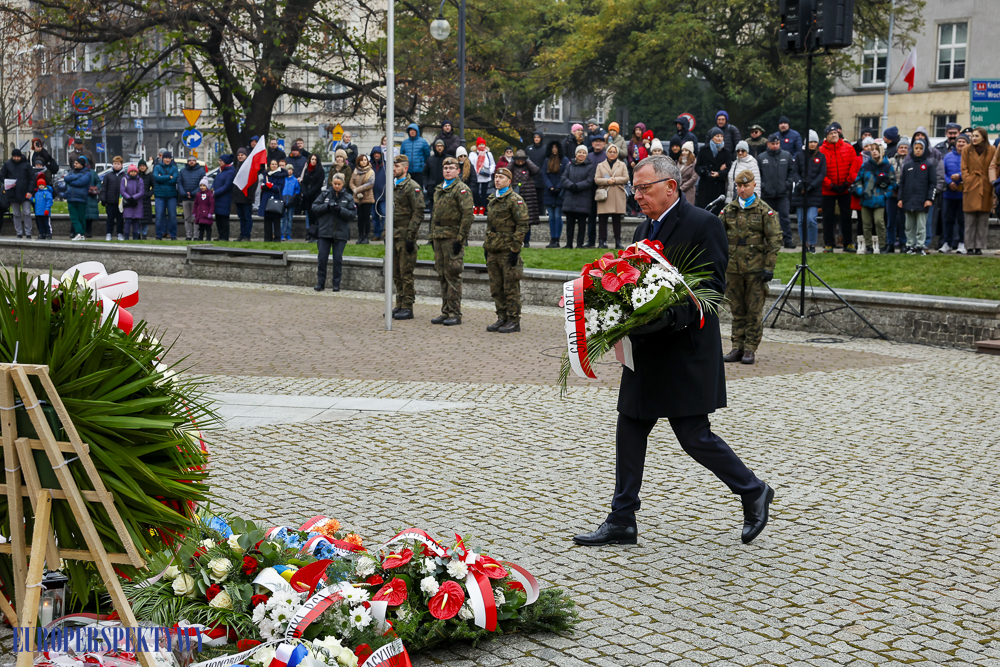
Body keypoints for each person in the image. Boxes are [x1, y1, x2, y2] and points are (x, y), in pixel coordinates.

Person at [572, 154, 773, 548]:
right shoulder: (642, 231)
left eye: (644, 188)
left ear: (670, 186)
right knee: (630, 426)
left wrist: (662, 317)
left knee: (693, 435)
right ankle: (622, 519)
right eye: (635, 188)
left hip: (686, 351)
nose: (638, 196)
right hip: (646, 351)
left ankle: (752, 490)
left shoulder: (704, 224)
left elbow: (712, 291)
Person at [720, 170, 781, 365]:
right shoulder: (729, 210)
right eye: (739, 186)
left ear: (754, 185)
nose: (742, 189)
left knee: (754, 310)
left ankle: (750, 348)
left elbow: (774, 240)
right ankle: (737, 346)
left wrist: (769, 267)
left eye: (746, 185)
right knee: (737, 309)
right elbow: (718, 237)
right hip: (733, 268)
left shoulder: (764, 211)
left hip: (755, 268)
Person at [484, 167, 529, 334]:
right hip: (493, 248)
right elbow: (490, 226)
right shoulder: (492, 199)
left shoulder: (514, 200)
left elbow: (522, 225)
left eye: (501, 177)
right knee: (496, 287)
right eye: (496, 177)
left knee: (510, 287)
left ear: (509, 181)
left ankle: (513, 320)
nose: (497, 180)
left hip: (507, 249)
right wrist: (486, 246)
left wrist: (515, 249)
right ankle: (501, 317)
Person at [429, 157, 474, 325]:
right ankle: (445, 311)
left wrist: (461, 238)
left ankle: (455, 312)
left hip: (452, 236)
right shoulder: (439, 189)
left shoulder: (461, 189)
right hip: (439, 236)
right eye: (445, 167)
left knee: (452, 274)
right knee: (441, 274)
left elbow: (467, 215)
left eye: (451, 168)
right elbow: (434, 215)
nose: (448, 170)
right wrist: (431, 237)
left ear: (458, 171)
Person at [390, 155, 424, 319]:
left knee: (406, 272)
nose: (394, 169)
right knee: (395, 272)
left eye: (397, 166)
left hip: (405, 235)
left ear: (405, 168)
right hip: (393, 235)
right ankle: (399, 303)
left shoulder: (412, 187)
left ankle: (408, 306)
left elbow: (418, 212)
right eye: (393, 166)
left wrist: (411, 236)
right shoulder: (393, 185)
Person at [311, 173, 357, 291]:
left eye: (339, 184)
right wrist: (326, 207)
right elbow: (314, 207)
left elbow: (352, 214)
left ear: (343, 184)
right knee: (322, 258)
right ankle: (320, 283)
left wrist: (340, 210)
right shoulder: (325, 194)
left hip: (340, 233)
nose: (336, 186)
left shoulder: (348, 197)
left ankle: (336, 284)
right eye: (335, 184)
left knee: (337, 259)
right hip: (324, 231)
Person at [819, 125, 859, 252]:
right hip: (828, 189)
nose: (834, 135)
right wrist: (830, 185)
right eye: (831, 133)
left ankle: (848, 243)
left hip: (845, 188)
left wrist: (847, 183)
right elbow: (820, 171)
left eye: (835, 133)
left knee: (846, 217)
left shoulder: (848, 148)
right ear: (826, 136)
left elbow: (853, 166)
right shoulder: (821, 151)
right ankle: (829, 243)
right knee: (828, 217)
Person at [852, 142, 895, 253]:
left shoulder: (888, 166)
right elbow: (858, 181)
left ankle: (882, 245)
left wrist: (886, 194)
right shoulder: (865, 166)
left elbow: (893, 183)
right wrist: (861, 191)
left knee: (879, 221)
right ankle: (869, 246)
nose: (874, 151)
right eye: (872, 149)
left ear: (881, 151)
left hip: (879, 199)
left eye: (876, 149)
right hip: (866, 198)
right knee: (866, 224)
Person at [897, 139, 936, 255]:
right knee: (908, 226)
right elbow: (902, 184)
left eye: (920, 148)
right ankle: (910, 245)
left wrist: (929, 199)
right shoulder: (907, 165)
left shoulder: (929, 165)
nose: (918, 151)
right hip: (908, 200)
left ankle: (920, 246)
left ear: (924, 150)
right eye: (916, 148)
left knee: (921, 226)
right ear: (912, 150)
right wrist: (900, 198)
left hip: (922, 201)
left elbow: (932, 184)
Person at [962, 127, 996, 255]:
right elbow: (963, 168)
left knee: (983, 219)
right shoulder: (966, 149)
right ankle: (969, 246)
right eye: (972, 136)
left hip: (985, 185)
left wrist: (991, 181)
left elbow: (994, 165)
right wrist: (968, 180)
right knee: (970, 219)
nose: (973, 138)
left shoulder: (992, 149)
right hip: (971, 186)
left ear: (983, 137)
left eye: (976, 136)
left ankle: (979, 246)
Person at [757, 133, 794, 248]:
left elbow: (792, 172)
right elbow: (758, 174)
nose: (775, 146)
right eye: (772, 144)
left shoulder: (787, 156)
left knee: (785, 218)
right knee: (767, 219)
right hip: (767, 194)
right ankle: (767, 242)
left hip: (782, 193)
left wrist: (787, 184)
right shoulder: (762, 157)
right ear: (768, 144)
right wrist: (763, 186)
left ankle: (788, 240)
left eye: (777, 143)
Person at [792, 131, 826, 253]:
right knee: (801, 221)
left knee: (811, 219)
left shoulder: (821, 157)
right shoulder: (799, 156)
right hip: (800, 193)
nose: (813, 144)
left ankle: (812, 243)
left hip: (814, 193)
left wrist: (811, 186)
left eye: (815, 142)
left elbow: (822, 174)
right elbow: (794, 171)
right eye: (811, 142)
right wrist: (800, 184)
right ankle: (804, 244)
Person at [594, 143, 628, 249]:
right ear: (607, 153)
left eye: (614, 152)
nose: (612, 154)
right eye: (610, 152)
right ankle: (601, 241)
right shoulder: (600, 165)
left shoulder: (622, 165)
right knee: (602, 220)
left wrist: (615, 180)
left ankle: (618, 241)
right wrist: (607, 181)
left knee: (616, 220)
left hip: (617, 195)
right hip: (605, 194)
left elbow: (626, 178)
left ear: (617, 153)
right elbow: (596, 179)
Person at [561, 145, 595, 249]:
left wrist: (578, 186)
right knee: (570, 224)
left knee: (582, 224)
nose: (581, 154)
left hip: (583, 199)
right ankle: (569, 244)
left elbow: (590, 181)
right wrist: (571, 185)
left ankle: (579, 244)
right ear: (576, 154)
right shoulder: (569, 166)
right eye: (579, 152)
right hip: (570, 198)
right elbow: (563, 178)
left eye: (584, 153)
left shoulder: (590, 167)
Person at [940, 133, 967, 253]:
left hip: (963, 194)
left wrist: (960, 177)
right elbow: (942, 173)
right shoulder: (947, 156)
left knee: (962, 220)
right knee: (948, 219)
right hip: (949, 194)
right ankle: (947, 243)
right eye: (959, 141)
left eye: (963, 142)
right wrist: (949, 182)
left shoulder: (970, 157)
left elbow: (971, 172)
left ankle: (962, 243)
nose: (960, 144)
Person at [508, 150, 540, 247]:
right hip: (516, 193)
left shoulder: (528, 167)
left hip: (528, 195)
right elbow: (506, 171)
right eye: (518, 160)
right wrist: (512, 161)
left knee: (527, 220)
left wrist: (528, 161)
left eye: (522, 160)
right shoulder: (512, 166)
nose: (520, 162)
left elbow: (536, 170)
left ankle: (526, 240)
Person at [0, 148, 34, 238]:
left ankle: (28, 232)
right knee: (16, 214)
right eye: (14, 156)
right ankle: (19, 232)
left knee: (27, 212)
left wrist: (30, 191)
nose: (16, 158)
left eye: (17, 156)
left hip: (25, 192)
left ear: (20, 156)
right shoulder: (7, 165)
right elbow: (2, 176)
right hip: (12, 193)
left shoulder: (26, 165)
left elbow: (32, 178)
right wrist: (7, 182)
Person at [695, 128, 731, 208]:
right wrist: (704, 171)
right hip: (705, 185)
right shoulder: (704, 150)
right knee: (704, 209)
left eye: (721, 136)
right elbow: (697, 166)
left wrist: (719, 173)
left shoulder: (726, 152)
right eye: (717, 136)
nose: (719, 138)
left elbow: (729, 168)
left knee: (716, 210)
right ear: (712, 138)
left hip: (718, 186)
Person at [542, 141, 568, 248]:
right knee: (551, 217)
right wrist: (550, 187)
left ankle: (557, 239)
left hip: (560, 192)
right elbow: (544, 174)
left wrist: (558, 187)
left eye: (556, 147)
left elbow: (565, 174)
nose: (554, 149)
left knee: (558, 216)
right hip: (549, 192)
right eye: (552, 147)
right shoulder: (547, 160)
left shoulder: (564, 160)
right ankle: (552, 239)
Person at [886, 137, 909, 252]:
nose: (903, 149)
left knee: (904, 221)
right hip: (892, 194)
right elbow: (887, 176)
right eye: (901, 147)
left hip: (906, 195)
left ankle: (903, 243)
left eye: (906, 147)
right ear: (897, 149)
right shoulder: (891, 161)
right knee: (891, 220)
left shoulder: (910, 162)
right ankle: (890, 242)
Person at [98, 156, 126, 241]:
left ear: (121, 165)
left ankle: (120, 233)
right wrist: (103, 199)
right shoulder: (108, 176)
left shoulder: (124, 176)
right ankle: (109, 233)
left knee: (120, 219)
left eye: (118, 164)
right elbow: (104, 188)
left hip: (120, 202)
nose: (116, 166)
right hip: (110, 201)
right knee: (110, 218)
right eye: (115, 164)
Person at [152, 151, 179, 240]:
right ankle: (159, 235)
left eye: (169, 158)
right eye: (166, 158)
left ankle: (173, 235)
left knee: (172, 216)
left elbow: (174, 180)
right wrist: (168, 177)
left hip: (171, 196)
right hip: (159, 196)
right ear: (162, 159)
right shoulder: (157, 167)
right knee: (159, 216)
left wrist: (162, 178)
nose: (167, 160)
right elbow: (156, 178)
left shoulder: (174, 168)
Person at [62, 158, 91, 240]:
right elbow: (66, 179)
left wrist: (71, 181)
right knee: (74, 217)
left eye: (77, 163)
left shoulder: (87, 173)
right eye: (75, 163)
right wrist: (76, 176)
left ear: (82, 164)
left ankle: (81, 234)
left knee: (81, 217)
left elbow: (80, 183)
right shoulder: (72, 172)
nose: (75, 164)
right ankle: (79, 233)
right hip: (71, 198)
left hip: (81, 198)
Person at [259, 159, 286, 243]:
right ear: (269, 166)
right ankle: (267, 239)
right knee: (267, 222)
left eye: (275, 164)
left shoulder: (281, 175)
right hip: (267, 200)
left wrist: (271, 186)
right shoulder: (266, 175)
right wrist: (264, 186)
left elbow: (280, 187)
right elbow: (264, 186)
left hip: (276, 200)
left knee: (276, 221)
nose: (274, 165)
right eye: (272, 164)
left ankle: (277, 239)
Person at [350, 153, 375, 244]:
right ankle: (360, 236)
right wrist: (355, 190)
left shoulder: (370, 171)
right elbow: (351, 182)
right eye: (362, 160)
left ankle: (366, 237)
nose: (364, 162)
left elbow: (370, 183)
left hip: (367, 197)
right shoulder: (356, 171)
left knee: (366, 218)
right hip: (357, 197)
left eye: (365, 160)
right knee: (359, 218)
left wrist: (358, 189)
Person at [233, 148, 257, 241]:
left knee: (247, 217)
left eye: (242, 155)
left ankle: (247, 235)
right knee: (241, 217)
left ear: (246, 156)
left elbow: (253, 182)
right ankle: (242, 234)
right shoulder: (238, 166)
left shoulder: (250, 167)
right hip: (238, 197)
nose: (240, 156)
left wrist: (250, 196)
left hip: (246, 197)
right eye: (239, 155)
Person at [177, 156, 203, 240]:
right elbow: (179, 183)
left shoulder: (201, 171)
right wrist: (183, 193)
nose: (191, 162)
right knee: (187, 217)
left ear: (196, 161)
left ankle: (196, 235)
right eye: (190, 160)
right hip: (185, 198)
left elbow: (202, 184)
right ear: (187, 162)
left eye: (193, 160)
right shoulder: (182, 171)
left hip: (196, 198)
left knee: (195, 218)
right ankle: (188, 235)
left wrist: (193, 193)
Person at [300, 154, 326, 240]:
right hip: (307, 197)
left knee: (315, 216)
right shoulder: (307, 170)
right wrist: (305, 192)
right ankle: (311, 234)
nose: (313, 161)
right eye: (312, 159)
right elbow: (303, 182)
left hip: (315, 196)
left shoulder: (320, 170)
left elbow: (319, 184)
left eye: (315, 159)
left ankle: (316, 234)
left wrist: (310, 192)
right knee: (309, 215)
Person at [212, 155, 235, 242]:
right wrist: (212, 188)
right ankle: (220, 235)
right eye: (219, 160)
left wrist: (216, 192)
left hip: (225, 198)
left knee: (224, 218)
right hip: (217, 198)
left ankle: (225, 236)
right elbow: (215, 182)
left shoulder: (230, 172)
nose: (220, 162)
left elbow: (227, 186)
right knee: (218, 217)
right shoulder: (220, 170)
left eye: (221, 160)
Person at [120, 164, 146, 240]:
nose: (133, 173)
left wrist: (134, 198)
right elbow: (122, 191)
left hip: (137, 203)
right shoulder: (124, 179)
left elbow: (141, 191)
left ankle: (135, 237)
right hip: (128, 203)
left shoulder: (140, 180)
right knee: (127, 220)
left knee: (136, 221)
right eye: (131, 171)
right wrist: (129, 198)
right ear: (129, 172)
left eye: (135, 171)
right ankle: (127, 236)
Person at [525, 132, 547, 217]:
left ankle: (541, 215)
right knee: (530, 199)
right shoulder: (529, 148)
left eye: (538, 137)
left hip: (541, 178)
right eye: (535, 137)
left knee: (540, 199)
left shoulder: (545, 149)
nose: (536, 139)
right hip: (530, 177)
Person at [472, 138, 495, 214]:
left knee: (484, 193)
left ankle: (483, 207)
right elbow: (471, 164)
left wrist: (490, 171)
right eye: (480, 144)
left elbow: (492, 164)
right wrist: (476, 172)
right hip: (476, 176)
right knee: (475, 193)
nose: (481, 146)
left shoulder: (488, 154)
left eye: (483, 144)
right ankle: (476, 206)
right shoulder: (473, 154)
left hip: (486, 176)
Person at [424, 139, 447, 210]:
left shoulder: (448, 159)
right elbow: (425, 173)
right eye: (437, 146)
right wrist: (427, 185)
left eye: (441, 146)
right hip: (432, 190)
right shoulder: (430, 160)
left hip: (446, 190)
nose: (439, 148)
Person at [280, 164, 301, 241]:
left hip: (291, 202)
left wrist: (294, 197)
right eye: (288, 169)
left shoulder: (295, 180)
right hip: (283, 201)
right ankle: (282, 234)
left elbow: (297, 190)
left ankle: (288, 234)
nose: (290, 171)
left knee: (289, 218)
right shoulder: (283, 179)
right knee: (283, 219)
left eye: (291, 170)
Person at [369, 148, 387, 241]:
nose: (376, 155)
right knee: (374, 216)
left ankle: (385, 233)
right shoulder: (369, 166)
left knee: (385, 215)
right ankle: (377, 234)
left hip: (384, 195)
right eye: (375, 153)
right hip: (371, 195)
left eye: (378, 153)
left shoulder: (386, 165)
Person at [137, 160, 154, 239]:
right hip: (137, 199)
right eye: (141, 166)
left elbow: (154, 186)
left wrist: (149, 194)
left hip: (146, 199)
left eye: (143, 166)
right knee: (137, 218)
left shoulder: (150, 175)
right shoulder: (136, 175)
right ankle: (137, 234)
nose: (142, 167)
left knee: (145, 218)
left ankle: (144, 234)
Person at [678, 141, 698, 206]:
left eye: (686, 150)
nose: (684, 152)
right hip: (677, 190)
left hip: (688, 191)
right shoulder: (680, 161)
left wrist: (682, 188)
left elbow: (694, 178)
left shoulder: (694, 162)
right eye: (683, 150)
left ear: (690, 152)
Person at [33, 175, 52, 240]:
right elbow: (35, 200)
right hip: (38, 212)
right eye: (39, 185)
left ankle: (48, 233)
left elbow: (49, 201)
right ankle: (42, 233)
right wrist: (30, 199)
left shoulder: (47, 193)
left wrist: (47, 209)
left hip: (44, 211)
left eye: (42, 185)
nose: (41, 186)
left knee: (46, 224)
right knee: (40, 224)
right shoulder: (37, 193)